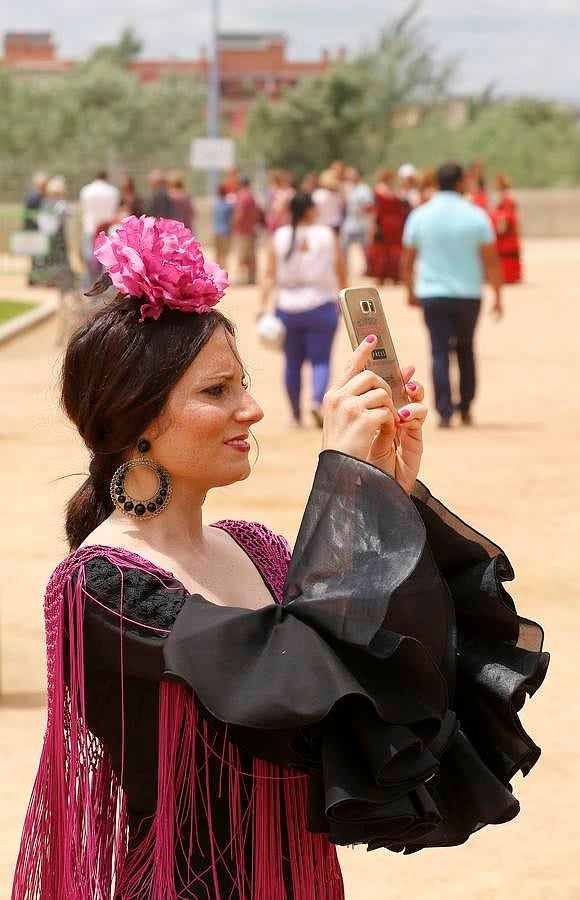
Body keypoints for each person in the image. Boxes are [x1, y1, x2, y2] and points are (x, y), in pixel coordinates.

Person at [12, 215, 549, 899]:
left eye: (243, 383)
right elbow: (289, 676)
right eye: (217, 391)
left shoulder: (256, 549)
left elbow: (390, 675)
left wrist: (388, 494)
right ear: (135, 419)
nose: (253, 410)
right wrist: (349, 491)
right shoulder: (102, 584)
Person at [401, 162, 503, 428]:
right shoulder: (475, 215)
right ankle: (466, 407)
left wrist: (410, 290)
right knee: (466, 349)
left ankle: (444, 412)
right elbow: (491, 259)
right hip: (468, 294)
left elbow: (407, 259)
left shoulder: (420, 215)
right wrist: (498, 293)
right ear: (460, 183)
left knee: (438, 352)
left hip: (433, 294)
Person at [260, 191, 344, 428]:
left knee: (292, 362)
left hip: (287, 305)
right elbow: (341, 270)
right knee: (321, 360)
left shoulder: (279, 236)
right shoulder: (328, 235)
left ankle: (295, 415)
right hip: (321, 302)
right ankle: (316, 400)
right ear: (309, 210)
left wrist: (261, 306)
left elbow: (269, 274)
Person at [366, 169, 408, 284]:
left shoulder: (387, 191)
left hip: (390, 225)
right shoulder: (388, 191)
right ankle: (388, 275)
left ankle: (388, 275)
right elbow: (376, 211)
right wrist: (373, 224)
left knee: (389, 250)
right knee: (386, 250)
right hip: (390, 225)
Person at [79, 171, 120, 288]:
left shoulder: (86, 190)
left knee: (89, 256)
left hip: (90, 226)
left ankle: (90, 284)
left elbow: (84, 209)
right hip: (107, 228)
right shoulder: (113, 191)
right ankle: (104, 287)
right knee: (106, 259)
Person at [37, 175, 74, 288]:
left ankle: (58, 280)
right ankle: (51, 279)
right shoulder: (48, 203)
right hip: (52, 234)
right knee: (52, 257)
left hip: (57, 234)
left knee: (58, 257)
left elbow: (68, 215)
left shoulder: (59, 203)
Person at [341, 167, 374, 275]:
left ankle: (368, 269)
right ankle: (344, 269)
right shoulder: (349, 188)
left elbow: (369, 205)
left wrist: (359, 209)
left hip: (362, 224)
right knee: (344, 247)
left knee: (365, 249)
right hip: (350, 224)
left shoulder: (364, 189)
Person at [492, 173, 522, 284]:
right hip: (509, 229)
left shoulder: (505, 197)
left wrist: (500, 228)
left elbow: (505, 215)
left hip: (506, 232)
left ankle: (507, 275)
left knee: (506, 252)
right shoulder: (507, 196)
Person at [232, 175, 261, 285]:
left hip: (242, 230)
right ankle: (252, 277)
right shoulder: (252, 196)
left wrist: (233, 223)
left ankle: (240, 278)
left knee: (241, 255)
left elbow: (240, 212)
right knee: (251, 255)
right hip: (251, 229)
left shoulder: (242, 196)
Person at [312, 169, 344, 233]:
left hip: (321, 224)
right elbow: (342, 206)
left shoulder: (317, 194)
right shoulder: (337, 195)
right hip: (336, 223)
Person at [213, 183, 235, 270]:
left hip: (216, 230)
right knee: (224, 254)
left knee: (218, 253)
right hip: (225, 231)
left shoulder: (215, 205)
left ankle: (217, 270)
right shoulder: (229, 206)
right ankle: (224, 271)